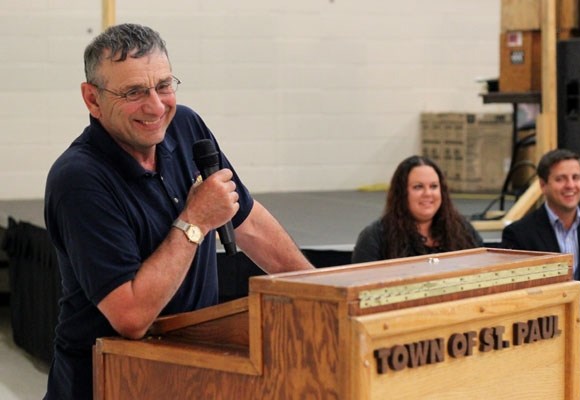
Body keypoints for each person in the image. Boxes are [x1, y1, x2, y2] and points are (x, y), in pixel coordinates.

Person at [43, 23, 314, 400]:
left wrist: (322, 290)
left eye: (164, 86)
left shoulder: (185, 125)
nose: (156, 106)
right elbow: (133, 316)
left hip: (189, 375)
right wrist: (195, 221)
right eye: (134, 92)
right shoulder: (79, 179)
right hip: (110, 383)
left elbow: (247, 222)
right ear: (92, 100)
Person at [351, 155, 483, 263]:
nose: (428, 193)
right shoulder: (375, 237)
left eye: (434, 186)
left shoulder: (463, 231)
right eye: (418, 187)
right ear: (401, 193)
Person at [501, 148, 580, 286]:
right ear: (543, 185)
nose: (570, 185)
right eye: (560, 179)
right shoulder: (519, 235)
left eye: (576, 177)